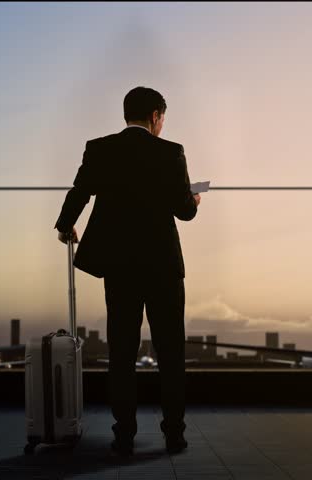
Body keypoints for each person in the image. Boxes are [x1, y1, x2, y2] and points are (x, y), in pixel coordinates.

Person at [54, 86, 201, 455]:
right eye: (162, 119)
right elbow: (184, 210)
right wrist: (194, 197)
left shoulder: (101, 148)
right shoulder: (171, 153)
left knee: (121, 352)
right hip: (163, 266)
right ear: (155, 116)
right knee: (170, 353)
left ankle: (124, 434)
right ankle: (175, 433)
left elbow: (80, 191)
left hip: (120, 266)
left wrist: (65, 225)